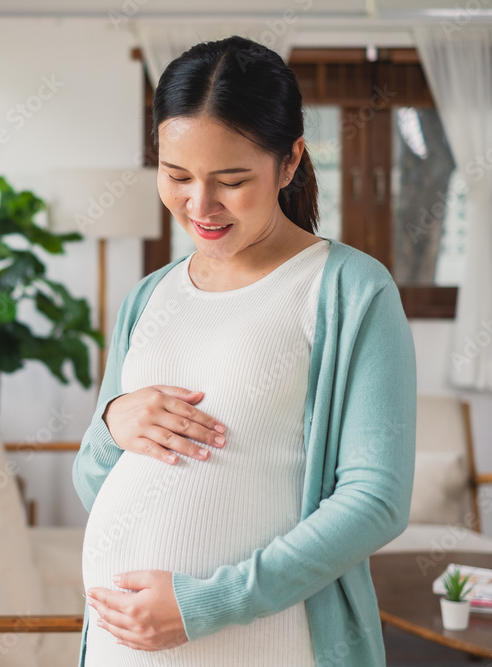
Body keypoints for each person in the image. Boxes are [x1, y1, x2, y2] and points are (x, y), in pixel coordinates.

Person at [72, 35, 416, 667]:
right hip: (126, 648)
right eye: (176, 176)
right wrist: (113, 421)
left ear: (290, 163)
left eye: (231, 181)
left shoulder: (349, 290)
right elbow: (94, 479)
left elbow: (377, 501)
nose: (199, 206)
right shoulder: (149, 297)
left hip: (265, 642)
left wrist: (208, 602)